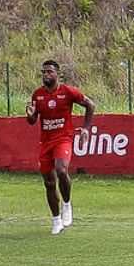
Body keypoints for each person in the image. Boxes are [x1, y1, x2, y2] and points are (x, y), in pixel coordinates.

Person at [26, 60, 95, 234]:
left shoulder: (68, 92)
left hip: (63, 138)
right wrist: (31, 116)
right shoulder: (38, 95)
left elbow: (90, 105)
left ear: (57, 74)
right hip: (45, 142)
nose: (46, 75)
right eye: (44, 72)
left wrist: (86, 128)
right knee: (49, 182)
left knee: (61, 170)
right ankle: (56, 220)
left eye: (50, 71)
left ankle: (67, 204)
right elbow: (32, 121)